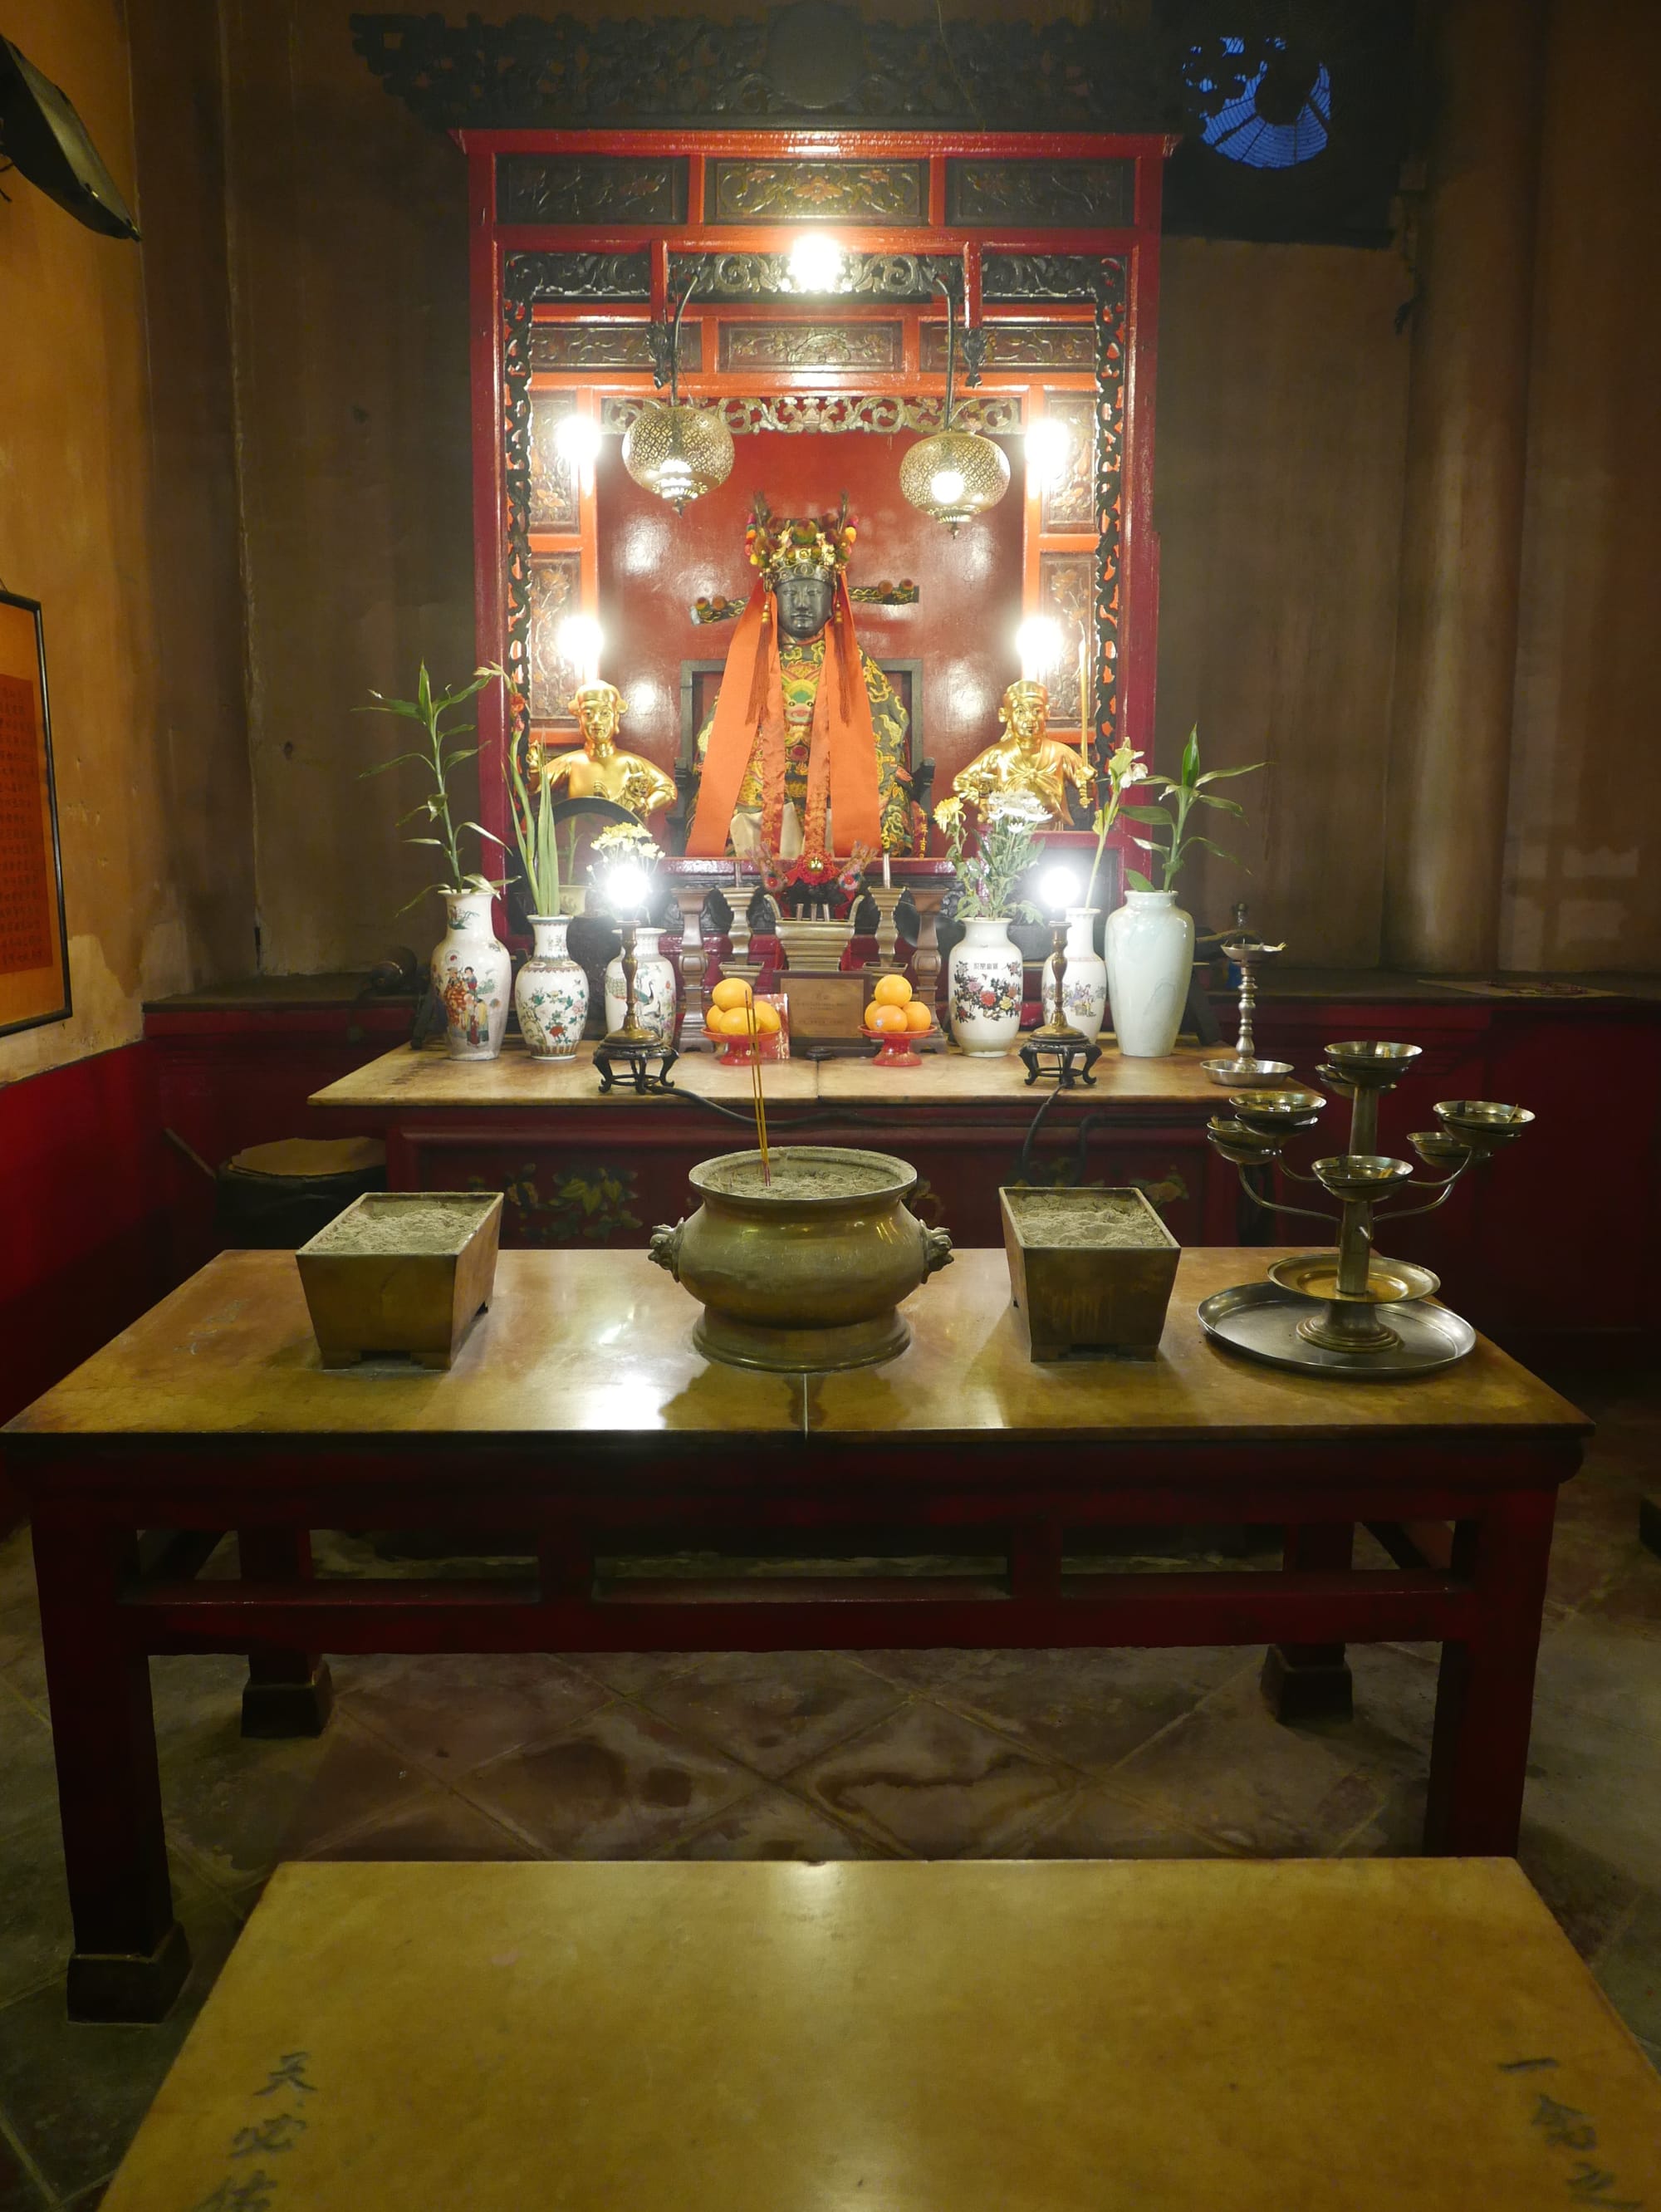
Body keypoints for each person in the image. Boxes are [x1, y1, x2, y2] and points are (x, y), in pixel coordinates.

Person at [687, 496, 913, 861]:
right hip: (761, 798)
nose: (803, 603)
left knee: (889, 805)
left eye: (814, 592)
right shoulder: (754, 665)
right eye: (792, 592)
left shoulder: (854, 664)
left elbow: (886, 732)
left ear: (833, 600)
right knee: (712, 797)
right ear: (775, 597)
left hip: (835, 797)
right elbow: (719, 742)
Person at [936, 677, 1096, 835]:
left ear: (1047, 713)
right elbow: (961, 782)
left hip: (1052, 830)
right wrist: (984, 803)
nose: (1030, 719)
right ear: (1006, 715)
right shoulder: (999, 754)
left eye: (1037, 711)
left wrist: (1088, 788)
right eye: (1020, 711)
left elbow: (1086, 783)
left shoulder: (1060, 752)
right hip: (1009, 834)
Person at [540, 680, 677, 821]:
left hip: (625, 839)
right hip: (578, 838)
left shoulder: (632, 764)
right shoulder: (570, 763)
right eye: (588, 714)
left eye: (605, 713)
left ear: (615, 718)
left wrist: (647, 806)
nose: (596, 721)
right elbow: (536, 785)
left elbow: (668, 789)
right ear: (580, 720)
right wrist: (533, 771)